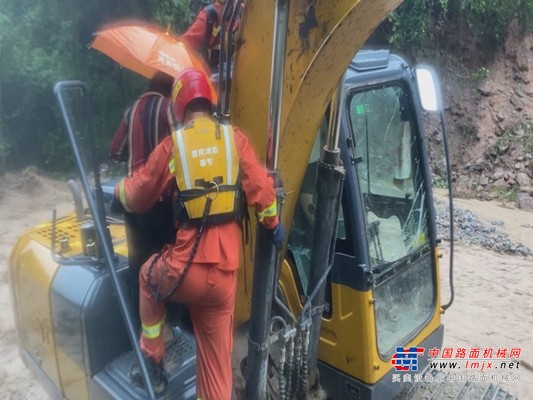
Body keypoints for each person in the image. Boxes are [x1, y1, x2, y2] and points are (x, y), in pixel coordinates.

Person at [113, 68, 285, 398]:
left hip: (184, 270)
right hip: (224, 277)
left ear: (179, 107)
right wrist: (273, 225)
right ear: (210, 102)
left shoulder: (173, 145)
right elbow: (263, 192)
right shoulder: (233, 139)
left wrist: (117, 192)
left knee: (148, 277)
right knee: (216, 367)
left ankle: (152, 360)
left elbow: (139, 194)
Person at [110, 72, 177, 277]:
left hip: (133, 201)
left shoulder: (131, 110)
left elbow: (115, 151)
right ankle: (162, 307)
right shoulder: (168, 107)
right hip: (161, 202)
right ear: (170, 87)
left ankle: (135, 306)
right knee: (164, 263)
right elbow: (183, 143)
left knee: (137, 264)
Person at [182, 0, 240, 73]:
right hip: (206, 68)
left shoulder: (239, 23)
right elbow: (186, 42)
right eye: (217, 2)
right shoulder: (207, 17)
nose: (217, 5)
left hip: (229, 72)